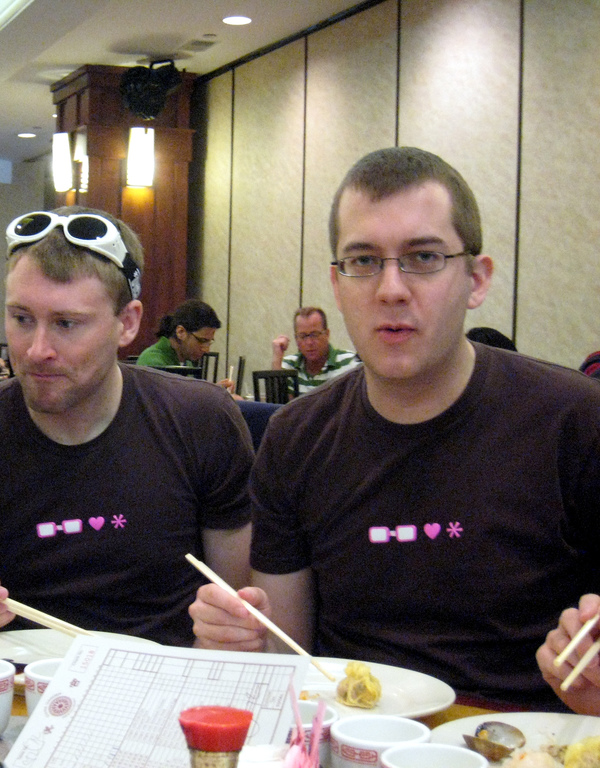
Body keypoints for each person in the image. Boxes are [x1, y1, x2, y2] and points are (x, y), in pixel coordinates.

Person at [189, 146, 600, 710]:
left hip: (533, 735)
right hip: (354, 731)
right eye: (362, 261)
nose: (390, 289)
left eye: (423, 257)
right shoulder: (295, 439)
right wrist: (241, 644)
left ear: (476, 279)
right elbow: (290, 657)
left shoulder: (575, 420)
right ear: (337, 285)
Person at [0, 207, 254, 659]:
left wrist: (231, 635)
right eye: (22, 318)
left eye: (66, 323)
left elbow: (242, 609)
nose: (37, 350)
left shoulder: (202, 421)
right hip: (10, 689)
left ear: (128, 322)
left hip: (169, 682)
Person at [135, 299, 237, 397]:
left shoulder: (186, 362)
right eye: (202, 341)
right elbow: (176, 403)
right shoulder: (153, 362)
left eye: (209, 342)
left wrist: (215, 391)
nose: (206, 349)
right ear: (181, 332)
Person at [270, 307, 360, 394]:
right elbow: (280, 402)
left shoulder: (350, 363)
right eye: (303, 336)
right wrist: (277, 358)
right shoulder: (288, 365)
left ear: (327, 334)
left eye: (315, 334)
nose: (309, 342)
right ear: (296, 339)